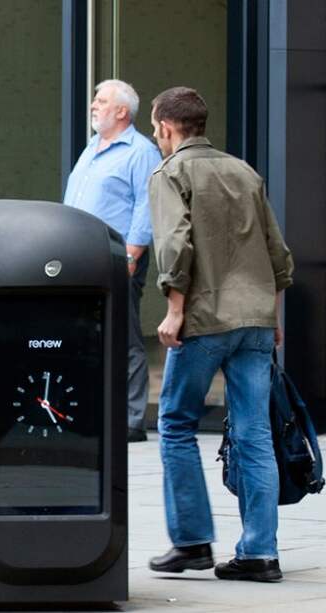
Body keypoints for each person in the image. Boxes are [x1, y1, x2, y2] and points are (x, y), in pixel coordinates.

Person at [146, 87, 293, 582]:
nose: (155, 136)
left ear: (167, 128)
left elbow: (174, 242)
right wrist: (272, 317)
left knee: (176, 423)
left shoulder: (171, 173)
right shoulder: (244, 172)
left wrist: (173, 308)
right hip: (255, 319)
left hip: (204, 318)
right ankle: (260, 553)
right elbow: (277, 252)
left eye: (155, 127)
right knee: (255, 436)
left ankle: (191, 542)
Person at [64, 79, 161, 444]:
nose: (93, 105)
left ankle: (132, 419)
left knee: (123, 336)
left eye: (101, 100)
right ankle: (92, 412)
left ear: (122, 111)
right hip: (78, 257)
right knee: (86, 335)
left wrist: (132, 254)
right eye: (95, 99)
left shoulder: (140, 151)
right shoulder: (93, 147)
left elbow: (147, 205)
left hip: (117, 258)